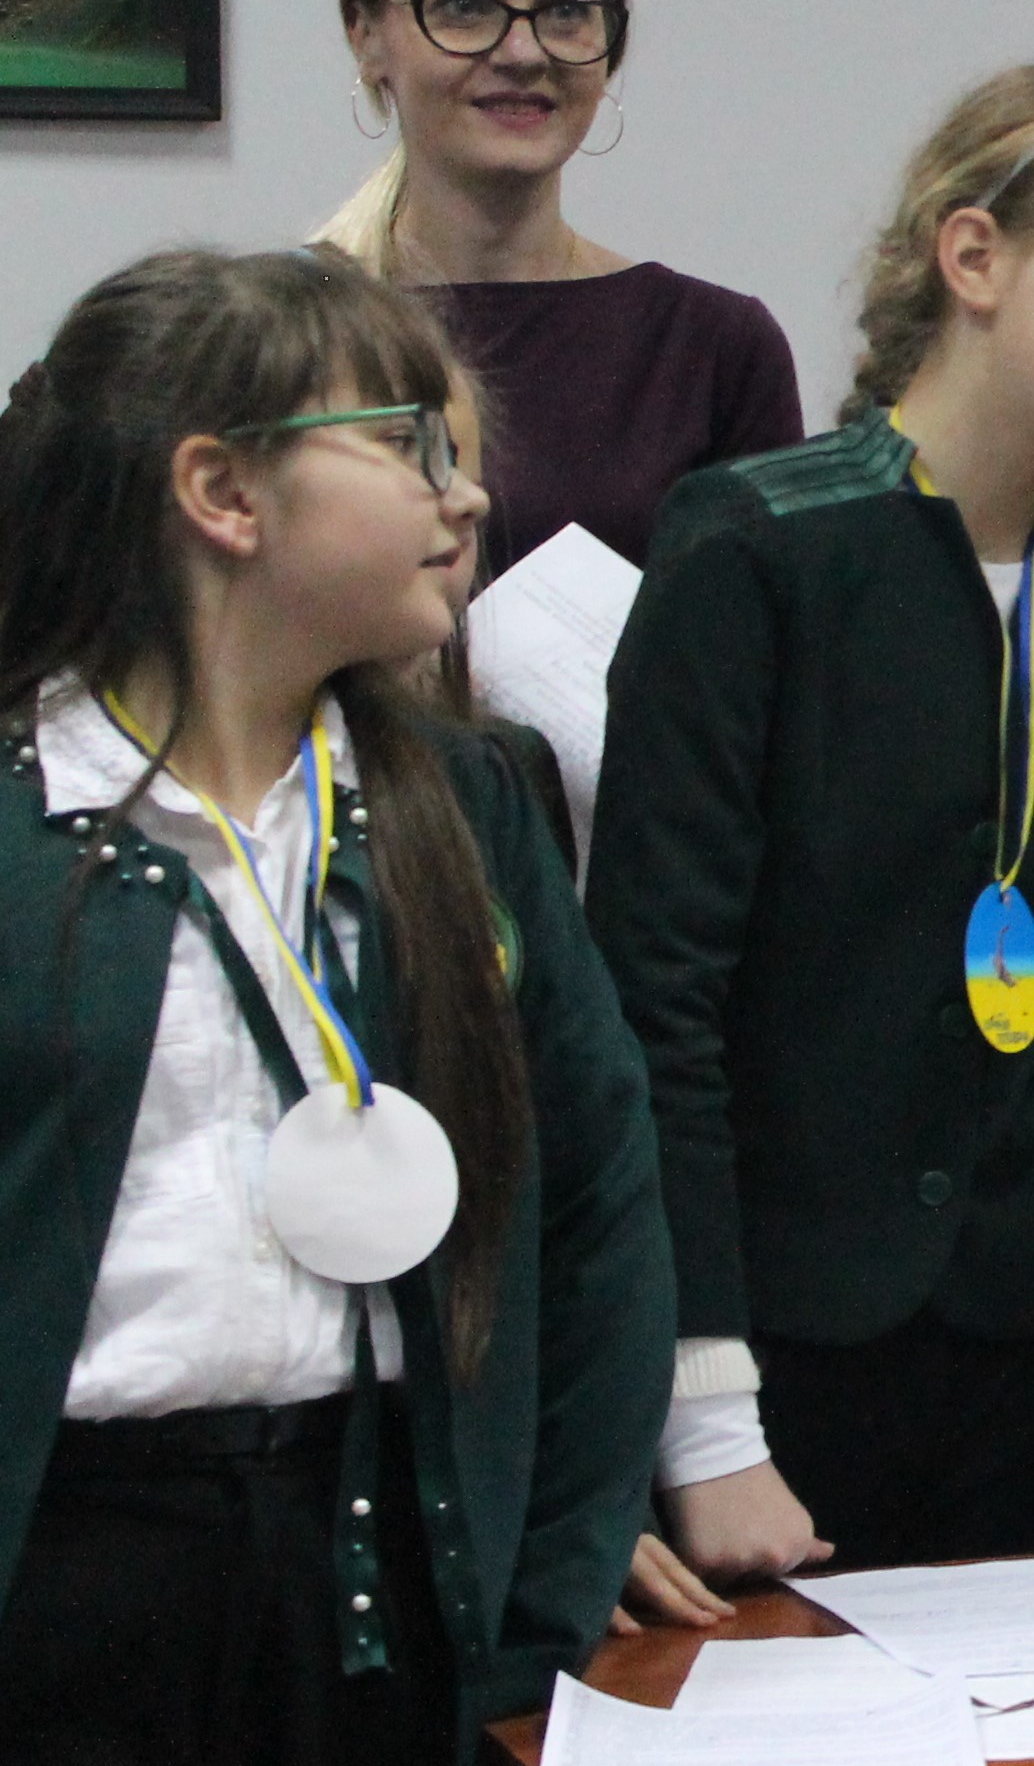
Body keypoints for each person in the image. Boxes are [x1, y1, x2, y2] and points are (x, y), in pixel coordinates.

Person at [590, 65, 1034, 1598]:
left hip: (1011, 1353)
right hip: (767, 1361)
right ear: (975, 257)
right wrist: (703, 1417)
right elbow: (658, 1006)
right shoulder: (757, 548)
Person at [0, 247, 674, 1761]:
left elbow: (600, 1197)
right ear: (223, 493)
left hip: (376, 1554)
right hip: (67, 1578)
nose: (467, 495)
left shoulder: (469, 803)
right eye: (408, 444)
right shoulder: (25, 819)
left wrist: (546, 1587)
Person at [315, 0, 801, 573]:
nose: (523, 52)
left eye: (567, 11)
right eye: (464, 7)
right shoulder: (276, 337)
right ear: (366, 34)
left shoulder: (714, 351)